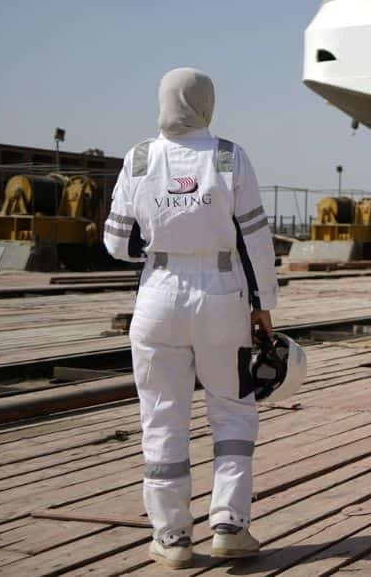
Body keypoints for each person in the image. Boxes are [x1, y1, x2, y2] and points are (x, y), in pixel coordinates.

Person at [104, 67, 279, 569]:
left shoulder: (138, 158)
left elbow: (117, 243)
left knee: (161, 417)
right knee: (232, 411)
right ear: (207, 103)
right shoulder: (229, 156)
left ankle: (172, 537)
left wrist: (160, 248)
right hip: (223, 295)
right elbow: (257, 242)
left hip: (157, 295)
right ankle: (229, 526)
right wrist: (263, 304)